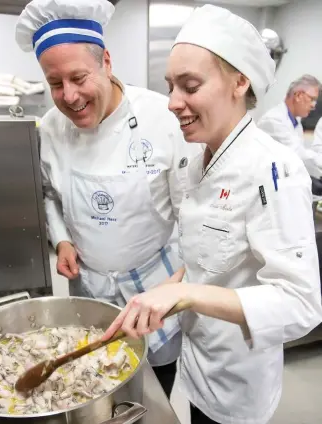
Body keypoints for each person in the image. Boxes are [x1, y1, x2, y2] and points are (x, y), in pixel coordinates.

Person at [102, 5, 322, 424]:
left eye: (189, 86)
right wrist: (165, 292)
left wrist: (185, 296)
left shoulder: (273, 170)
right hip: (198, 361)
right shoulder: (193, 157)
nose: (172, 103)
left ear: (240, 81)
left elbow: (301, 305)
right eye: (170, 86)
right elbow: (206, 255)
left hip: (240, 380)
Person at [15, 0, 201, 397]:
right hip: (89, 287)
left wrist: (179, 284)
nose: (69, 96)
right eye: (54, 83)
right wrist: (62, 237)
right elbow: (49, 193)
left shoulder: (162, 118)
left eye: (79, 77)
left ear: (107, 62)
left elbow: (194, 214)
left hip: (154, 285)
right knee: (91, 384)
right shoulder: (50, 127)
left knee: (152, 390)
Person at [258, 75, 322, 178]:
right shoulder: (273, 120)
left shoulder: (295, 121)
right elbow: (298, 154)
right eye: (312, 99)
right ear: (298, 96)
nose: (313, 105)